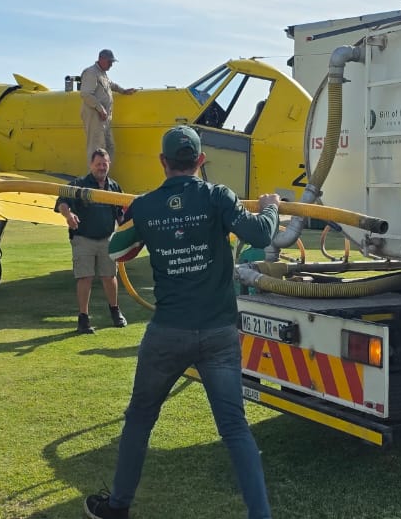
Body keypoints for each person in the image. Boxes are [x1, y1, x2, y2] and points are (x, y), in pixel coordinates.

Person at [85, 126, 280, 519]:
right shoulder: (218, 196)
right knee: (235, 428)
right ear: (201, 161)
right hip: (218, 334)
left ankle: (118, 506)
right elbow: (261, 231)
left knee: (140, 418)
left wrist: (138, 225)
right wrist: (271, 204)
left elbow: (116, 251)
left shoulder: (145, 204)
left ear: (163, 162)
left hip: (167, 334)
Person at [57, 148, 128, 334]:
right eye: (98, 164)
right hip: (83, 238)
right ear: (91, 165)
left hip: (106, 238)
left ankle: (115, 311)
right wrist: (68, 214)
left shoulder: (114, 187)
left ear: (109, 165)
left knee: (109, 276)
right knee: (85, 277)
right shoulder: (79, 184)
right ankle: (83, 318)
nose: (101, 168)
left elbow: (120, 214)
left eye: (104, 164)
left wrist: (128, 231)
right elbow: (62, 201)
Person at [79, 48, 136, 162]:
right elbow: (85, 94)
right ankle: (94, 177)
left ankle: (103, 175)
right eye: (109, 62)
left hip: (104, 118)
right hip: (95, 115)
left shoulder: (102, 74)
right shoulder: (91, 72)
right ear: (101, 59)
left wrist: (123, 91)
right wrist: (100, 109)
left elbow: (111, 84)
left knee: (109, 147)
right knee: (96, 148)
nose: (111, 65)